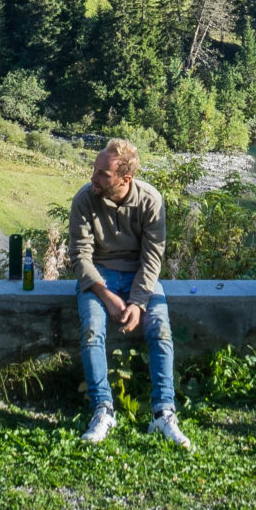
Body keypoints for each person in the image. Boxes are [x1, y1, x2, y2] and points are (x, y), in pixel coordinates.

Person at [66, 139, 188, 448]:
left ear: (125, 178)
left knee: (160, 329)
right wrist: (107, 295)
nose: (94, 178)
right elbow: (80, 256)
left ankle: (164, 411)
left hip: (139, 275)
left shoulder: (150, 200)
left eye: (103, 174)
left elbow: (152, 257)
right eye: (95, 169)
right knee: (92, 329)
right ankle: (102, 409)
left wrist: (137, 301)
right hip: (99, 275)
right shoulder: (84, 199)